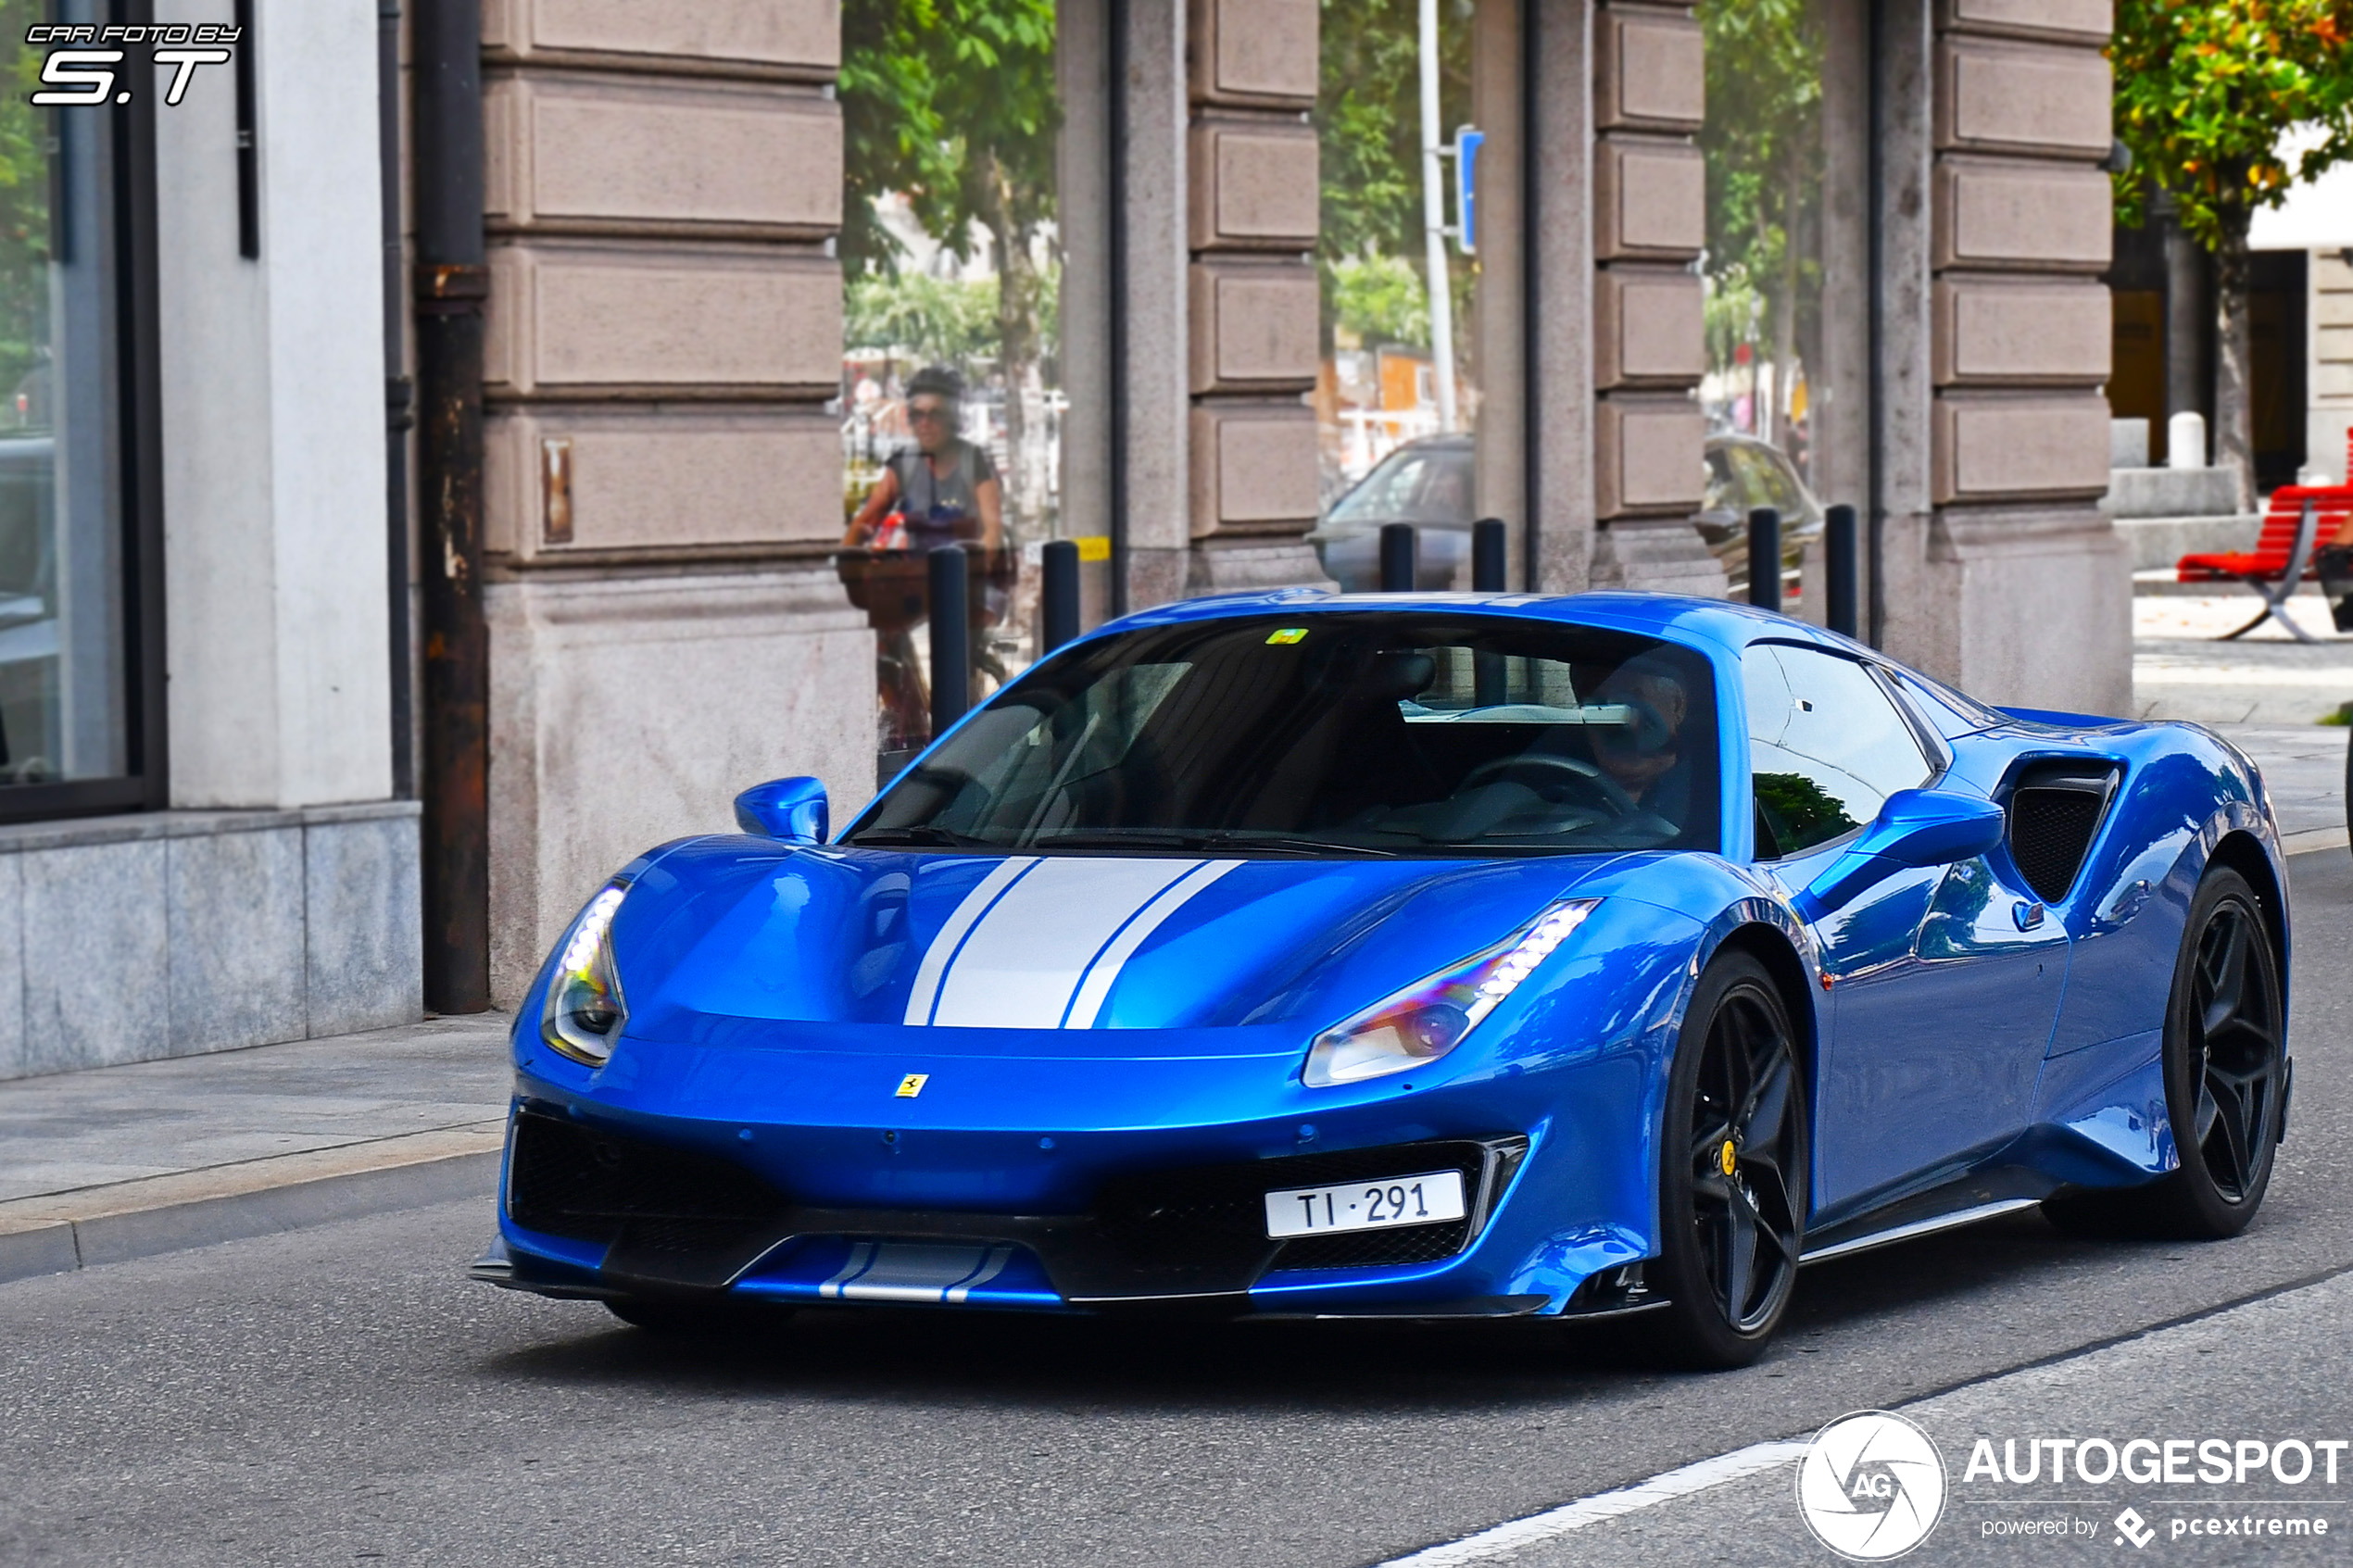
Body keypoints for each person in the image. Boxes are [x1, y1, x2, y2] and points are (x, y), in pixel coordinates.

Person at [843, 365, 1003, 553]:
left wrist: (978, 566)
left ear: (952, 418)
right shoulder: (903, 463)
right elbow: (864, 523)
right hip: (915, 577)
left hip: (964, 576)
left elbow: (993, 531)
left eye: (935, 414)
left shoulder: (974, 461)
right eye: (917, 415)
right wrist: (844, 565)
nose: (925, 424)